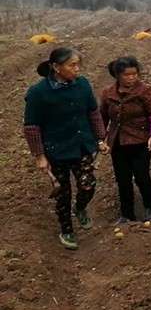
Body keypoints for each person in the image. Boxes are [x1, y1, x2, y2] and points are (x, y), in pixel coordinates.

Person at [23, 47, 109, 249]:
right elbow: (31, 126)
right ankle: (67, 230)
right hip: (56, 149)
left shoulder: (82, 84)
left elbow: (93, 112)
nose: (77, 69)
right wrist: (39, 156)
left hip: (81, 145)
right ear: (56, 67)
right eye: (72, 65)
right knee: (63, 193)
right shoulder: (38, 92)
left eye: (78, 64)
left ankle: (79, 208)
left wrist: (100, 138)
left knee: (88, 185)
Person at [101, 57, 151, 224]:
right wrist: (100, 139)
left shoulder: (144, 91)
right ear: (117, 75)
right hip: (118, 142)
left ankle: (148, 205)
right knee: (123, 178)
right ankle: (127, 214)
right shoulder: (108, 93)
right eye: (127, 75)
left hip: (141, 141)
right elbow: (103, 117)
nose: (131, 78)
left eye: (134, 74)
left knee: (141, 175)